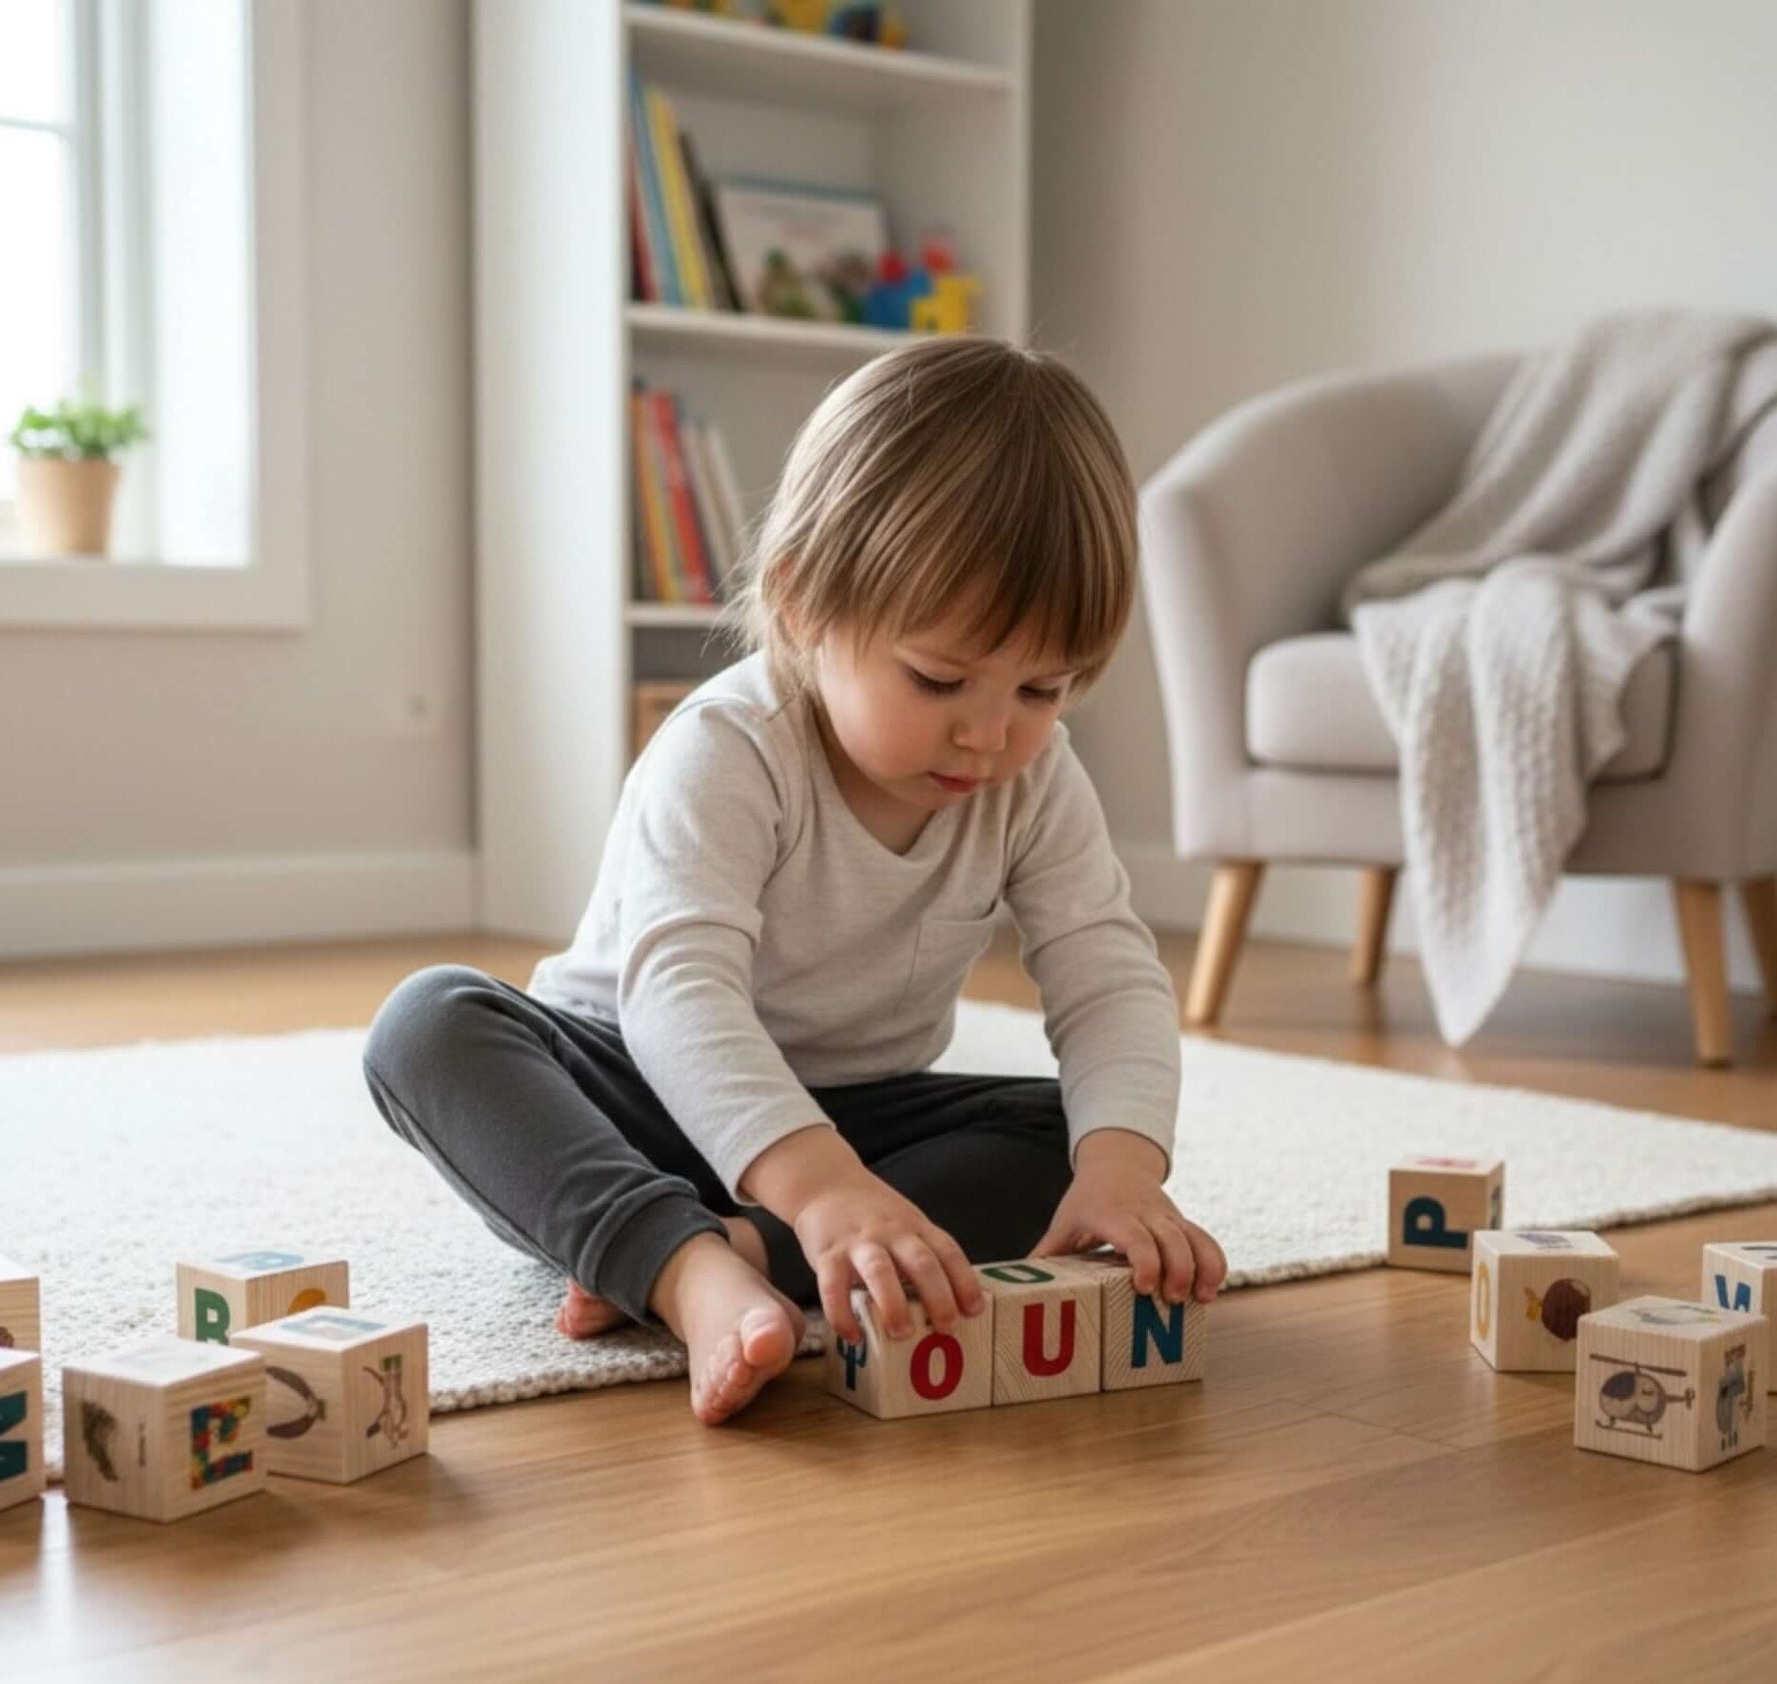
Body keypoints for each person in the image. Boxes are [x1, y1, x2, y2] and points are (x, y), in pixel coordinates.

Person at [363, 335, 1225, 1426]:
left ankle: (752, 1247)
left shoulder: (1033, 776)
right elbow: (678, 992)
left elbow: (1107, 973)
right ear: (805, 603)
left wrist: (1120, 1169)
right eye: (940, 677)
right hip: (632, 1088)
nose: (987, 731)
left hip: (852, 1116)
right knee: (429, 1022)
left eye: (1041, 689)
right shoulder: (729, 746)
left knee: (1068, 1133)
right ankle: (680, 1267)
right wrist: (822, 1188)